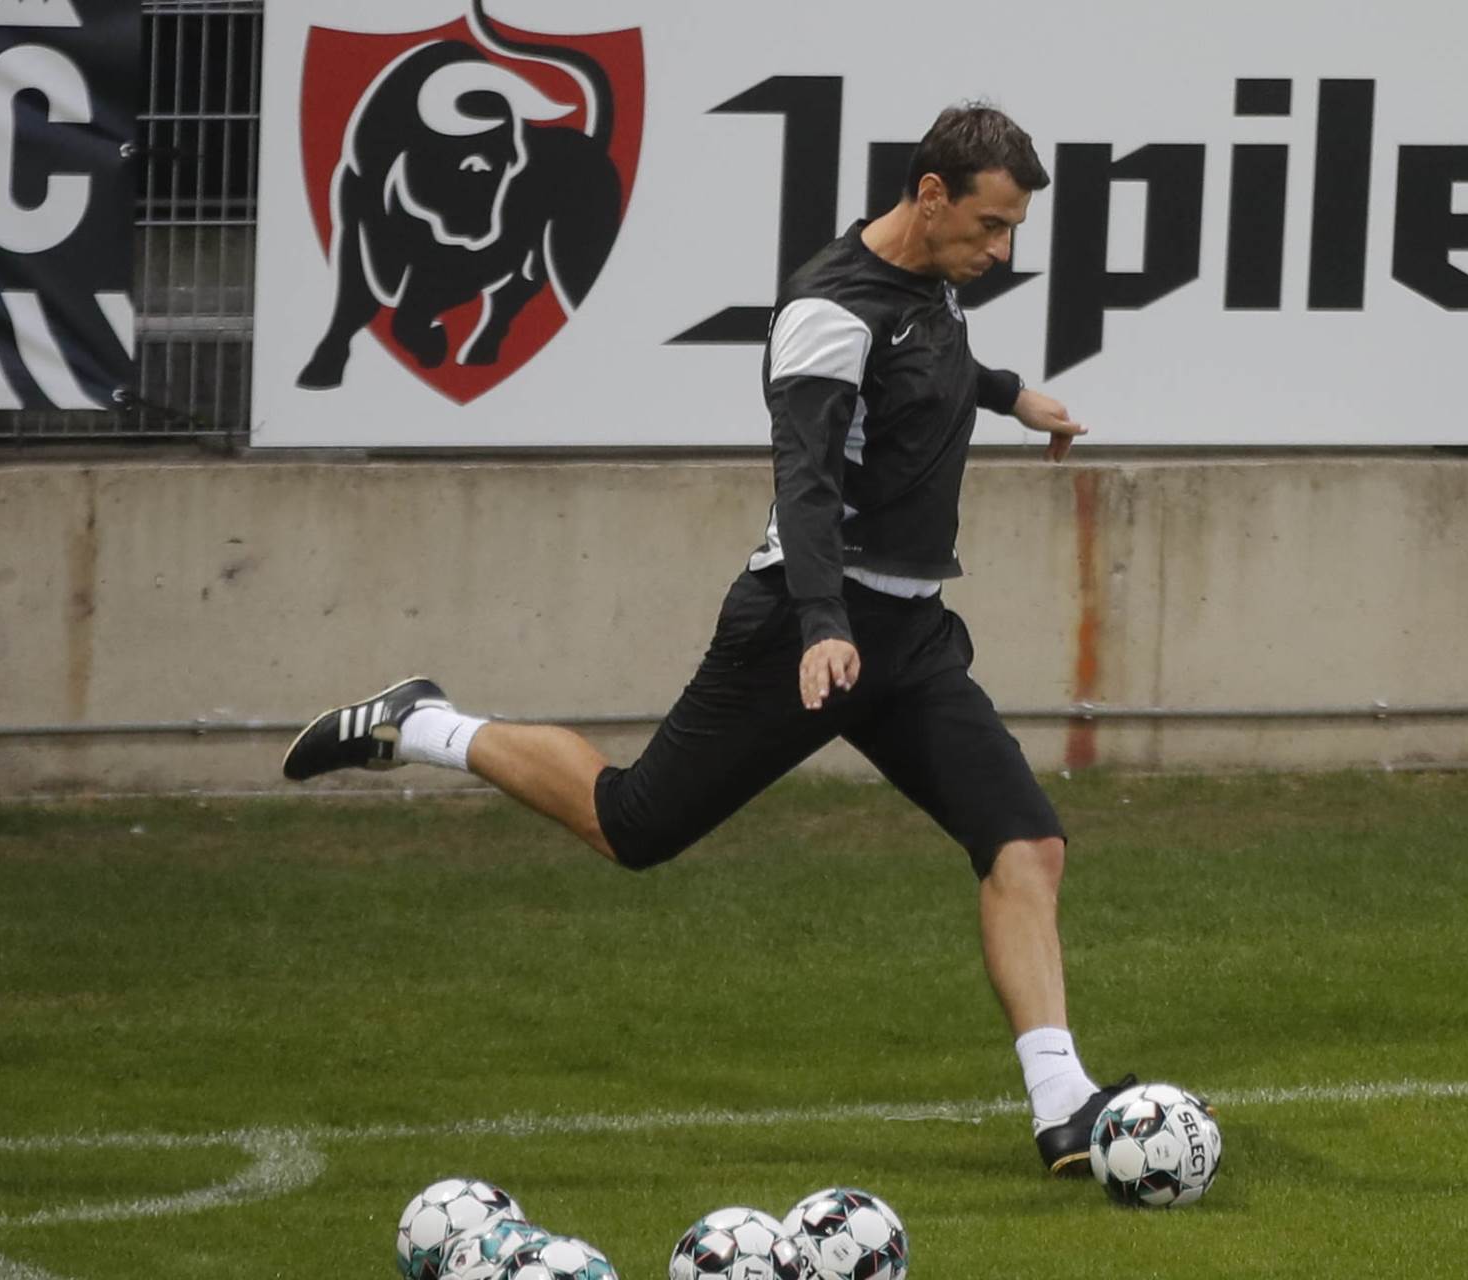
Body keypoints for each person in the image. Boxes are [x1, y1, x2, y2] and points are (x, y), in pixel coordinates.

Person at [283, 104, 1129, 1175]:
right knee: (633, 823)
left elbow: (924, 369)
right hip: (803, 624)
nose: (1003, 251)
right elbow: (808, 483)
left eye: (1013, 231)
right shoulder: (827, 310)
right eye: (992, 226)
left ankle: (1063, 1103)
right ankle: (425, 722)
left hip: (909, 634)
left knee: (1025, 840)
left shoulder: (926, 282)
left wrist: (1012, 397)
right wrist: (823, 626)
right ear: (930, 195)